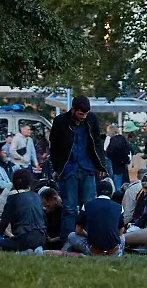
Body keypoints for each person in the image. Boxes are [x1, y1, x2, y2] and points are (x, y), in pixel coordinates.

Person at [49, 96, 108, 240]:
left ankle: (89, 239)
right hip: (68, 168)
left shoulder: (91, 119)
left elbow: (97, 143)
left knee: (88, 206)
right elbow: (54, 146)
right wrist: (57, 167)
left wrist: (101, 165)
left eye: (86, 113)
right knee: (69, 208)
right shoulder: (60, 121)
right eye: (81, 113)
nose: (84, 117)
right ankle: (67, 240)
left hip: (87, 167)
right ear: (73, 109)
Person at [66, 180, 126, 256]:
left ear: (96, 193)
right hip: (113, 251)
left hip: (94, 250)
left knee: (72, 236)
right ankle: (117, 253)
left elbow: (78, 230)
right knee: (123, 237)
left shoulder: (87, 205)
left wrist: (89, 235)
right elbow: (121, 231)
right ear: (111, 194)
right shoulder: (119, 207)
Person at [0, 169, 46, 251]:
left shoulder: (13, 198)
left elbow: (4, 222)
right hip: (41, 238)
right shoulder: (37, 197)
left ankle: (25, 251)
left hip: (24, 238)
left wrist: (0, 234)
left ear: (13, 183)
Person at [104, 124, 131, 190]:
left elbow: (108, 152)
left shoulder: (112, 140)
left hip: (114, 165)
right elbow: (126, 151)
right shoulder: (122, 139)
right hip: (121, 166)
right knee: (120, 185)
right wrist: (126, 162)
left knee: (115, 186)